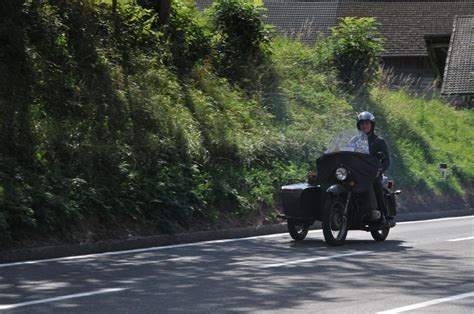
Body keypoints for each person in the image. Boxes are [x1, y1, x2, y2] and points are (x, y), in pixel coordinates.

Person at [356, 111, 394, 226]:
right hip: (356, 171)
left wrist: (380, 170)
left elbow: (386, 160)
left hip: (372, 173)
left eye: (367, 123)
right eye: (362, 124)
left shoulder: (378, 141)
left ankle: (383, 214)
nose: (364, 126)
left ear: (372, 125)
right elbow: (346, 151)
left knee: (376, 185)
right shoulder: (354, 140)